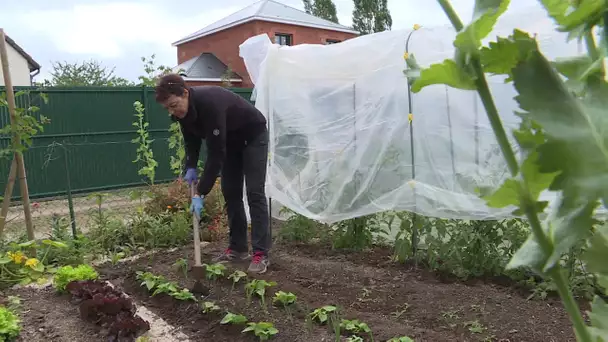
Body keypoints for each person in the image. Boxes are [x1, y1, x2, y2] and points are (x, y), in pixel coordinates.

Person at [154, 73, 271, 274]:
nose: (173, 111)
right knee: (230, 191)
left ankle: (261, 253)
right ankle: (238, 248)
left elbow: (216, 154)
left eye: (174, 105)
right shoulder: (182, 113)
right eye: (168, 108)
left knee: (254, 192)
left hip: (252, 136)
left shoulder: (210, 103)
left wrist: (200, 192)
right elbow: (191, 141)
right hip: (230, 142)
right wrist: (190, 166)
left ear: (185, 93)